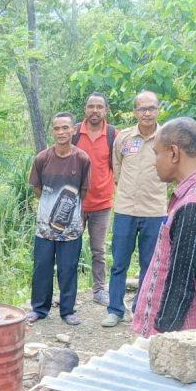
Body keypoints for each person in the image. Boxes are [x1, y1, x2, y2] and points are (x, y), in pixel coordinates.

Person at [133, 118, 196, 337]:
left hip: (178, 340)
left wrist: (162, 339)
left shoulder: (193, 205)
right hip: (189, 335)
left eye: (157, 153)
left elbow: (181, 285)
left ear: (174, 154)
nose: (154, 162)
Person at [103, 91, 169, 327]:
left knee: (149, 265)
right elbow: (117, 169)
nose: (147, 113)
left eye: (151, 108)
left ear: (158, 110)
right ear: (135, 112)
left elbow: (172, 169)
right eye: (142, 109)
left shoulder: (167, 138)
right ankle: (115, 310)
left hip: (155, 211)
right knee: (119, 263)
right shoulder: (124, 138)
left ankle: (141, 310)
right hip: (125, 210)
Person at [27, 113, 91, 326]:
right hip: (44, 227)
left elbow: (83, 191)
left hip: (71, 228)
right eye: (57, 128)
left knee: (68, 269)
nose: (61, 132)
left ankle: (67, 311)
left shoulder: (82, 159)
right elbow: (38, 189)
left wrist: (71, 215)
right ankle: (39, 309)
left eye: (65, 128)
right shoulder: (42, 158)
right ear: (52, 130)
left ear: (74, 130)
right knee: (42, 268)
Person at [73, 93, 116, 306]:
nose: (95, 110)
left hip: (102, 204)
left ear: (105, 111)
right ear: (85, 109)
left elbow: (119, 166)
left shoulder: (112, 134)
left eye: (99, 107)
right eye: (91, 106)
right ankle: (67, 291)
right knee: (70, 247)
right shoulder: (74, 133)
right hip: (74, 204)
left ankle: (99, 289)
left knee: (98, 250)